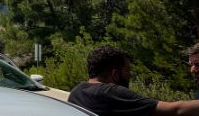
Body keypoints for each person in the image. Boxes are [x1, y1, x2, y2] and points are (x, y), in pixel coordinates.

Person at [69, 45, 199, 116]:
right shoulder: (111, 93)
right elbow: (174, 110)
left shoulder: (76, 92)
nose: (130, 75)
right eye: (127, 70)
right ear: (115, 73)